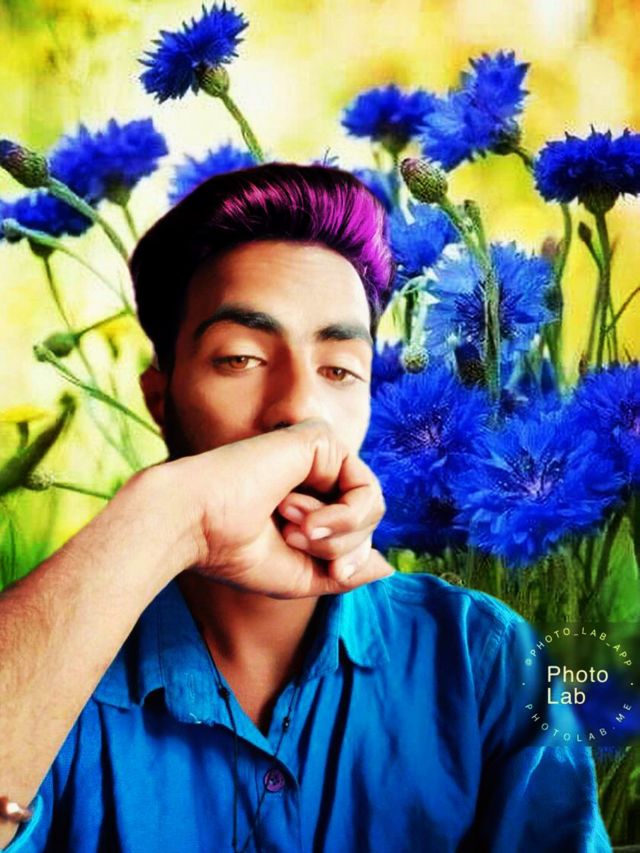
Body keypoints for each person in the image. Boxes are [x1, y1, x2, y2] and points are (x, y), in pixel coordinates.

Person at [0, 163, 612, 852]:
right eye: (240, 358)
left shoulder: (480, 659)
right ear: (159, 399)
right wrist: (169, 515)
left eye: (340, 369)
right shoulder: (57, 660)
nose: (298, 408)